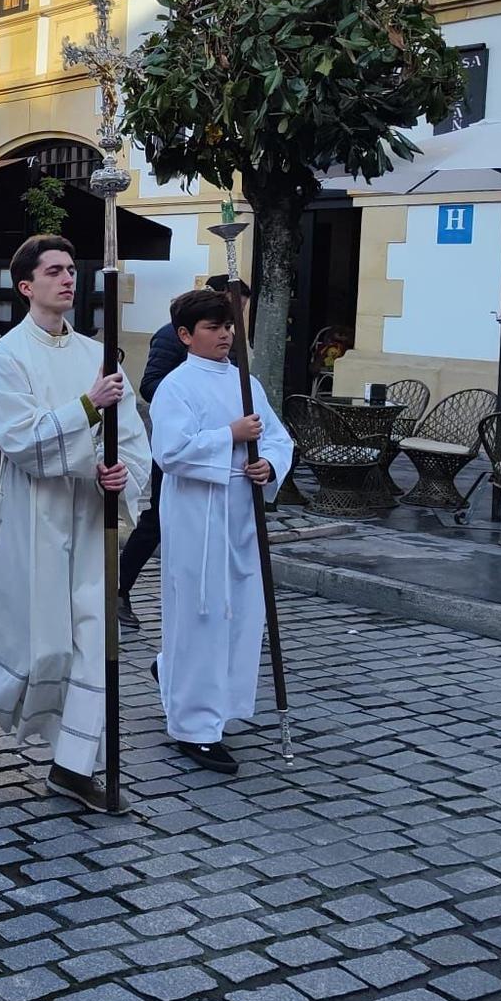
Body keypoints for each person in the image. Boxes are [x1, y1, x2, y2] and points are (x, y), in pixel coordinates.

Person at [0, 235, 151, 814]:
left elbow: (133, 432)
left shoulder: (100, 353)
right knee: (32, 635)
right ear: (26, 286)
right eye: (54, 272)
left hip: (91, 516)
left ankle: (74, 766)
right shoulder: (5, 356)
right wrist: (87, 408)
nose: (68, 279)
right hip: (32, 513)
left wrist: (120, 472)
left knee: (93, 637)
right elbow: (18, 438)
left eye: (72, 270)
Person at [150, 287, 293, 776]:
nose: (226, 335)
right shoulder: (177, 385)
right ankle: (194, 726)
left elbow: (276, 435)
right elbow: (168, 450)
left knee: (239, 610)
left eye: (229, 326)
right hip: (197, 512)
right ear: (186, 335)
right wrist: (228, 438)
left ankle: (190, 683)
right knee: (200, 610)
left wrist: (269, 465)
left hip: (240, 511)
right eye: (214, 327)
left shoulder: (246, 382)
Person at [116, 275, 252, 631]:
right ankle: (118, 587)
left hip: (228, 458)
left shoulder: (230, 338)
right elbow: (151, 383)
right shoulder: (171, 336)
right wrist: (196, 395)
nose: (228, 328)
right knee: (157, 521)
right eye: (221, 319)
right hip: (188, 442)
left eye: (236, 316)